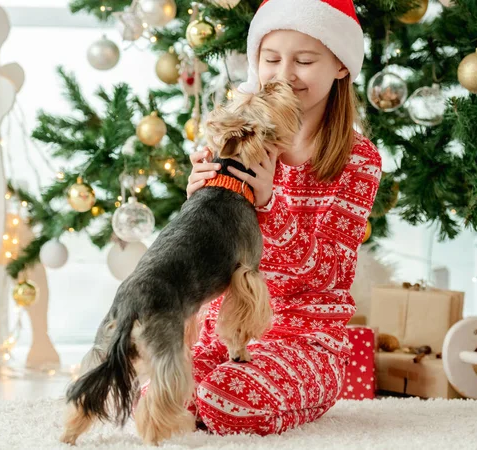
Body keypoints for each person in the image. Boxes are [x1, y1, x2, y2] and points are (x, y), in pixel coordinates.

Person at [146, 0, 382, 436]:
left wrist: (270, 202)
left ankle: (282, 392)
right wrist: (201, 198)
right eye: (271, 59)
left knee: (225, 399)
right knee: (156, 396)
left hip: (305, 338)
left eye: (305, 60)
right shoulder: (237, 137)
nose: (285, 74)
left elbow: (327, 273)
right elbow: (212, 248)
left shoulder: (357, 160)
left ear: (341, 67)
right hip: (226, 328)